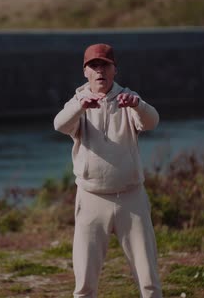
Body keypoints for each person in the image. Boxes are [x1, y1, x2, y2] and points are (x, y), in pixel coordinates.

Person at [53, 43, 162, 298]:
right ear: (85, 72)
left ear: (115, 70)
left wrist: (137, 105)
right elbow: (59, 124)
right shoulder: (77, 100)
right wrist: (81, 106)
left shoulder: (128, 97)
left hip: (131, 199)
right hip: (91, 199)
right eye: (94, 66)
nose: (99, 70)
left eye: (105, 65)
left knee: (148, 281)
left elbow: (152, 121)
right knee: (84, 285)